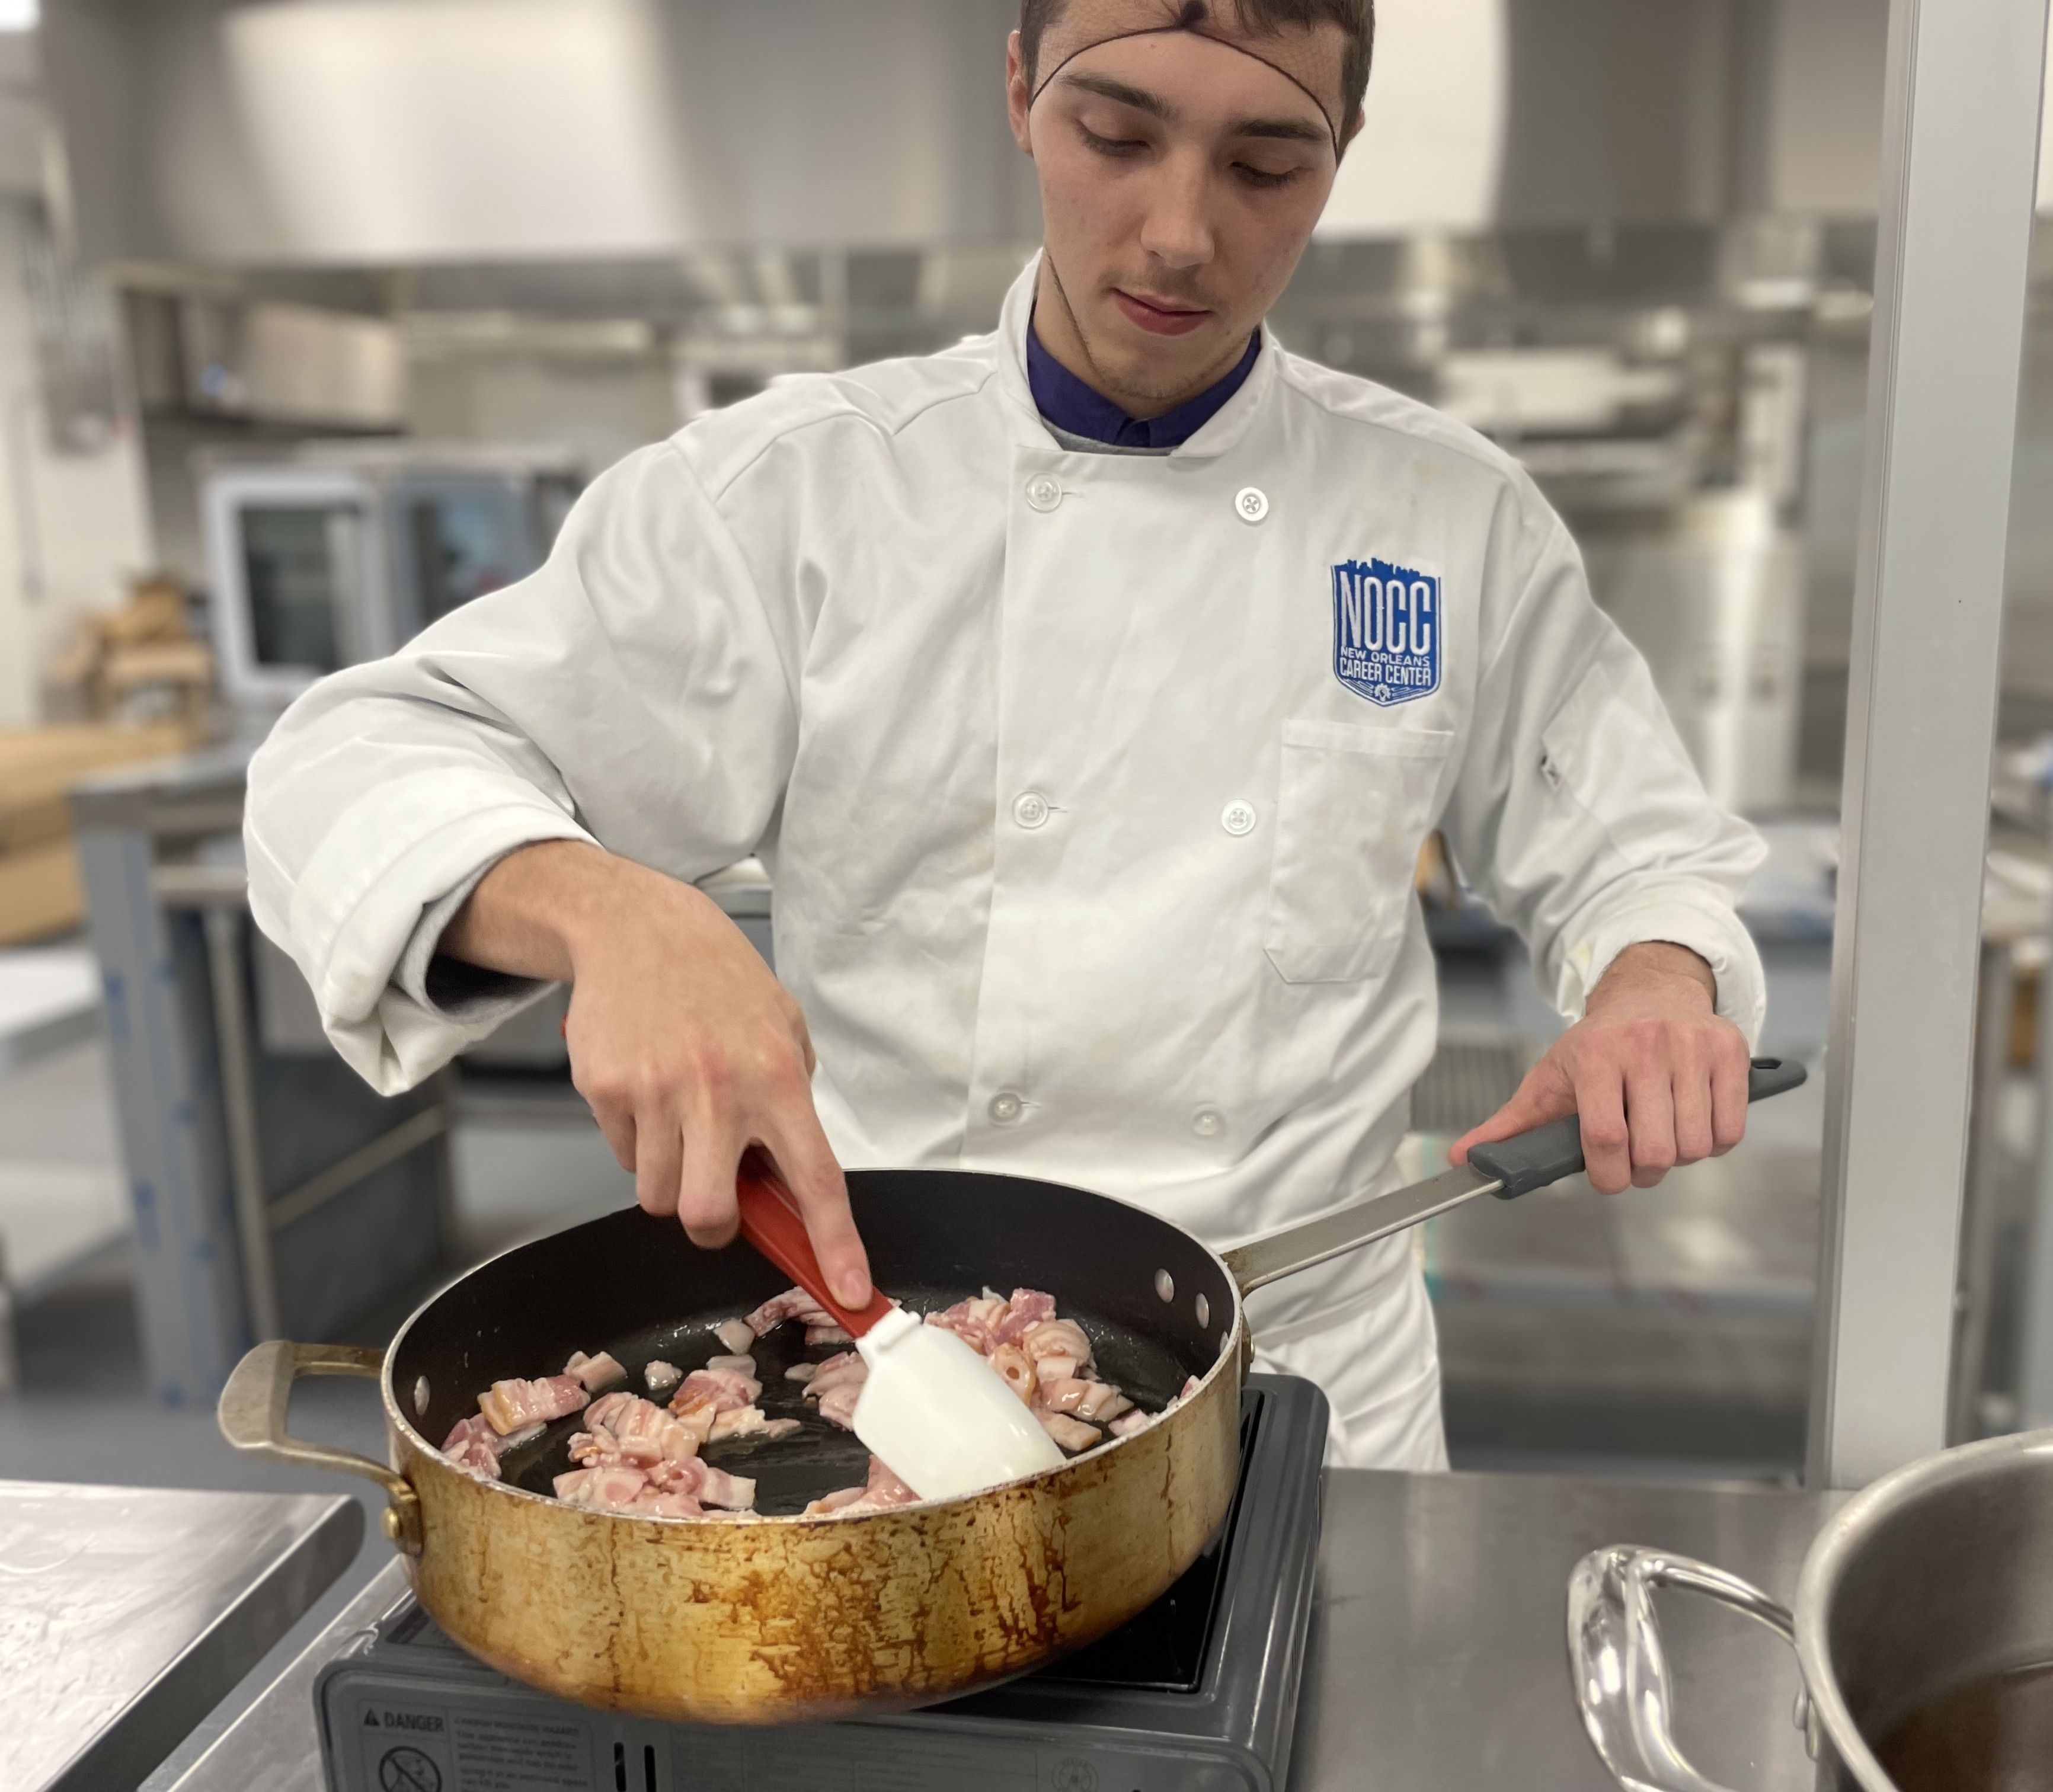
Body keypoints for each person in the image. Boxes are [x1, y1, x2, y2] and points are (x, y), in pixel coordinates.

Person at [244, 0, 1766, 1470]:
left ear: (1343, 151)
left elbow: (1638, 850)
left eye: (1264, 165)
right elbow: (355, 759)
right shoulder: (800, 495)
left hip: (1311, 1377)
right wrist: (608, 911)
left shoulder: (1448, 516)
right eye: (1118, 135)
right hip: (905, 1373)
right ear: (1024, 92)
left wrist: (1653, 978)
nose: (1181, 232)